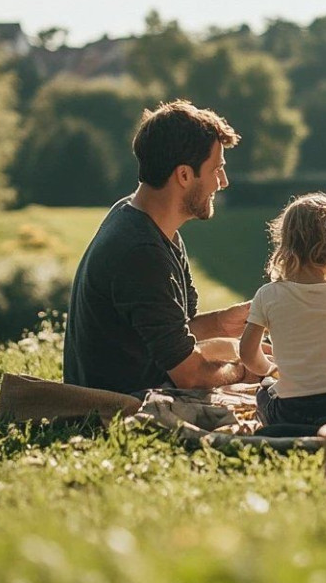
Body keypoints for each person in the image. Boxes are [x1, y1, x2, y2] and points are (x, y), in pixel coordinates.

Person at [63, 100, 253, 395]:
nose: (223, 182)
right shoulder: (140, 252)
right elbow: (190, 375)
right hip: (124, 401)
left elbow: (173, 331)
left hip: (153, 380)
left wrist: (223, 324)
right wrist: (244, 369)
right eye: (217, 169)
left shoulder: (149, 222)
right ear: (184, 175)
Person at [238, 193, 326, 428]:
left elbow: (248, 355)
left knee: (263, 395)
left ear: (285, 243)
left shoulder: (267, 294)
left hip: (289, 411)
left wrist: (271, 369)